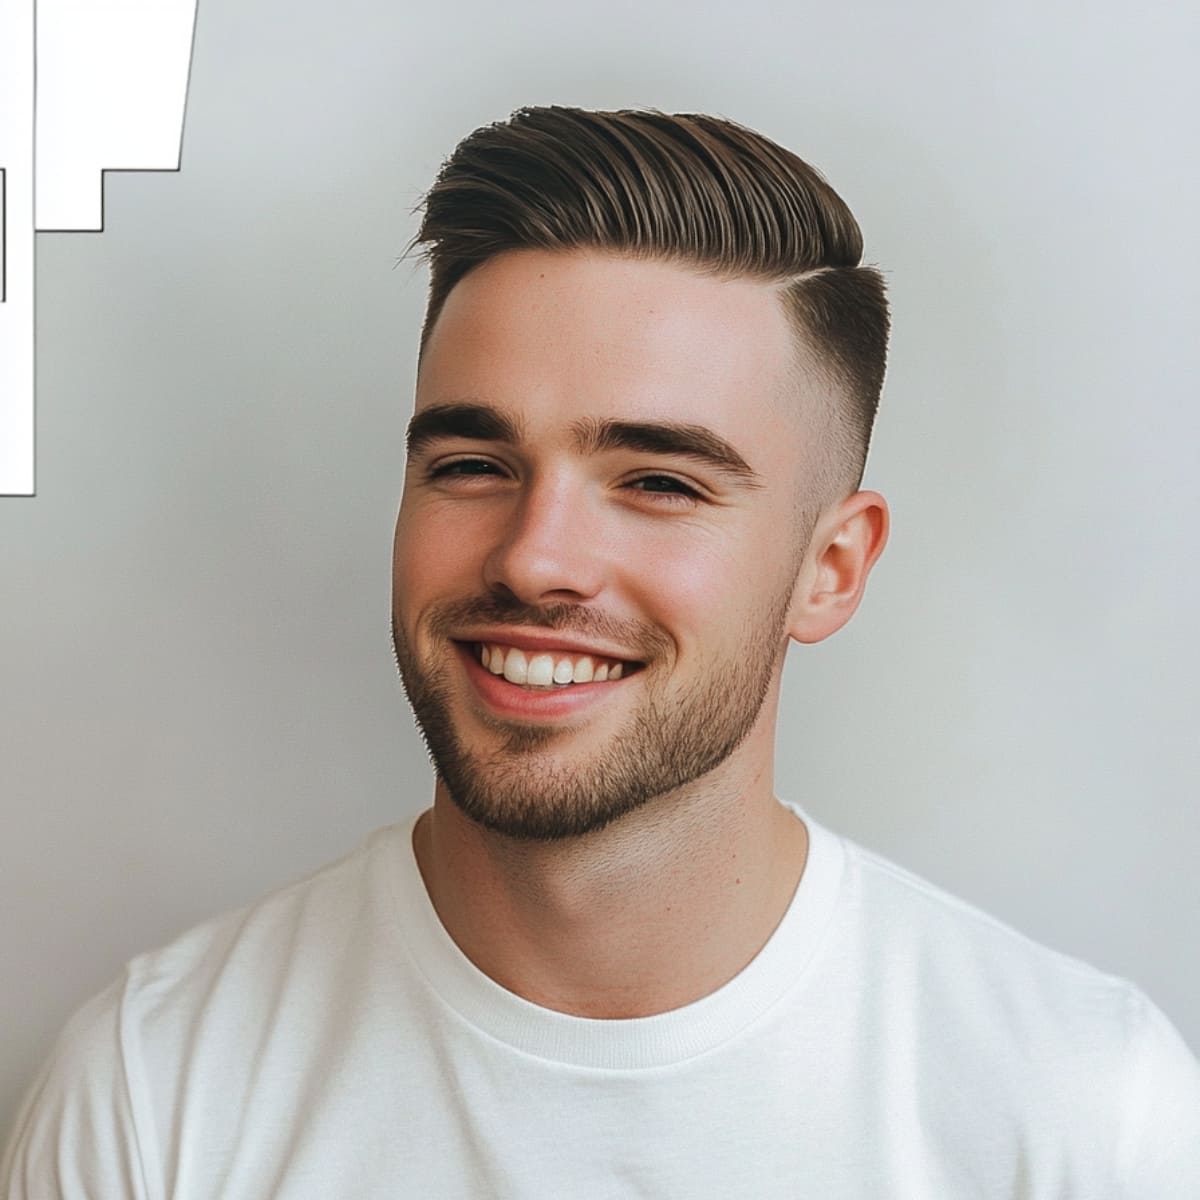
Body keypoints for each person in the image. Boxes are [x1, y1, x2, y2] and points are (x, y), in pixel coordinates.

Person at [4, 104, 1198, 1198]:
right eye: (473, 466)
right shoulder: (156, 1092)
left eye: (659, 482)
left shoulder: (1081, 1114)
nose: (535, 559)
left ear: (830, 569)